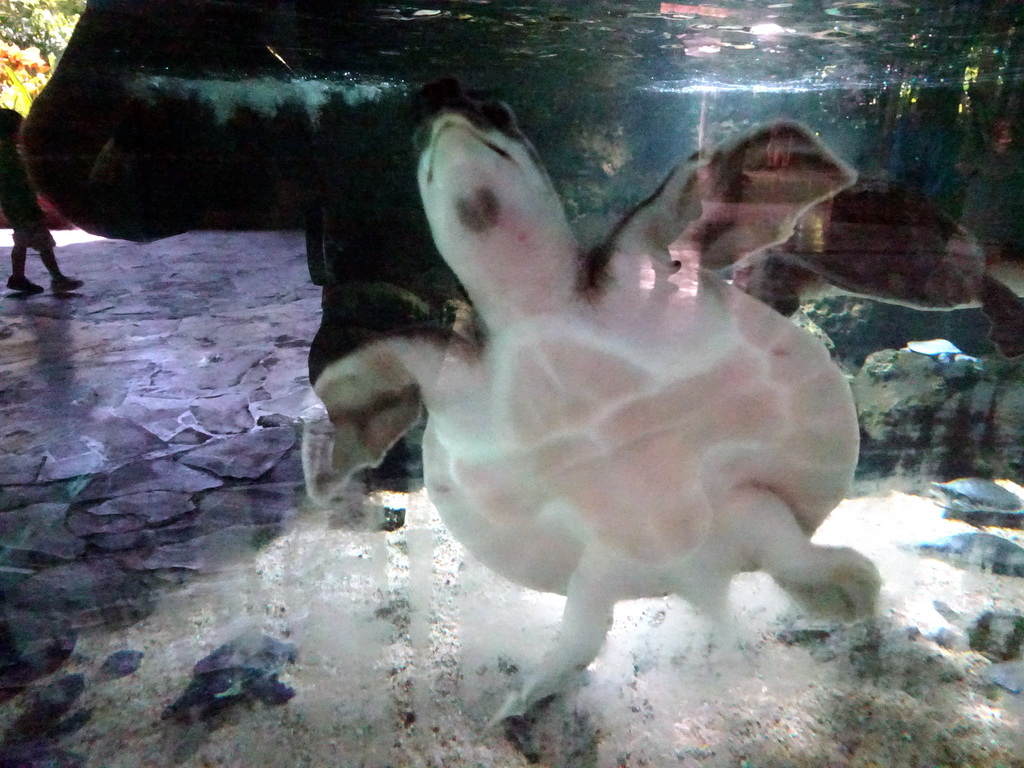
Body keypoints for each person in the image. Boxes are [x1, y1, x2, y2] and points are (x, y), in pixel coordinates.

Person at [0, 108, 82, 294]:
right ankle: (57, 278)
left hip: (15, 209)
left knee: (21, 242)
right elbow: (19, 185)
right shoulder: (11, 157)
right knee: (44, 243)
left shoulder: (7, 155)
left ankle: (18, 278)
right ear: (14, 132)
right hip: (24, 209)